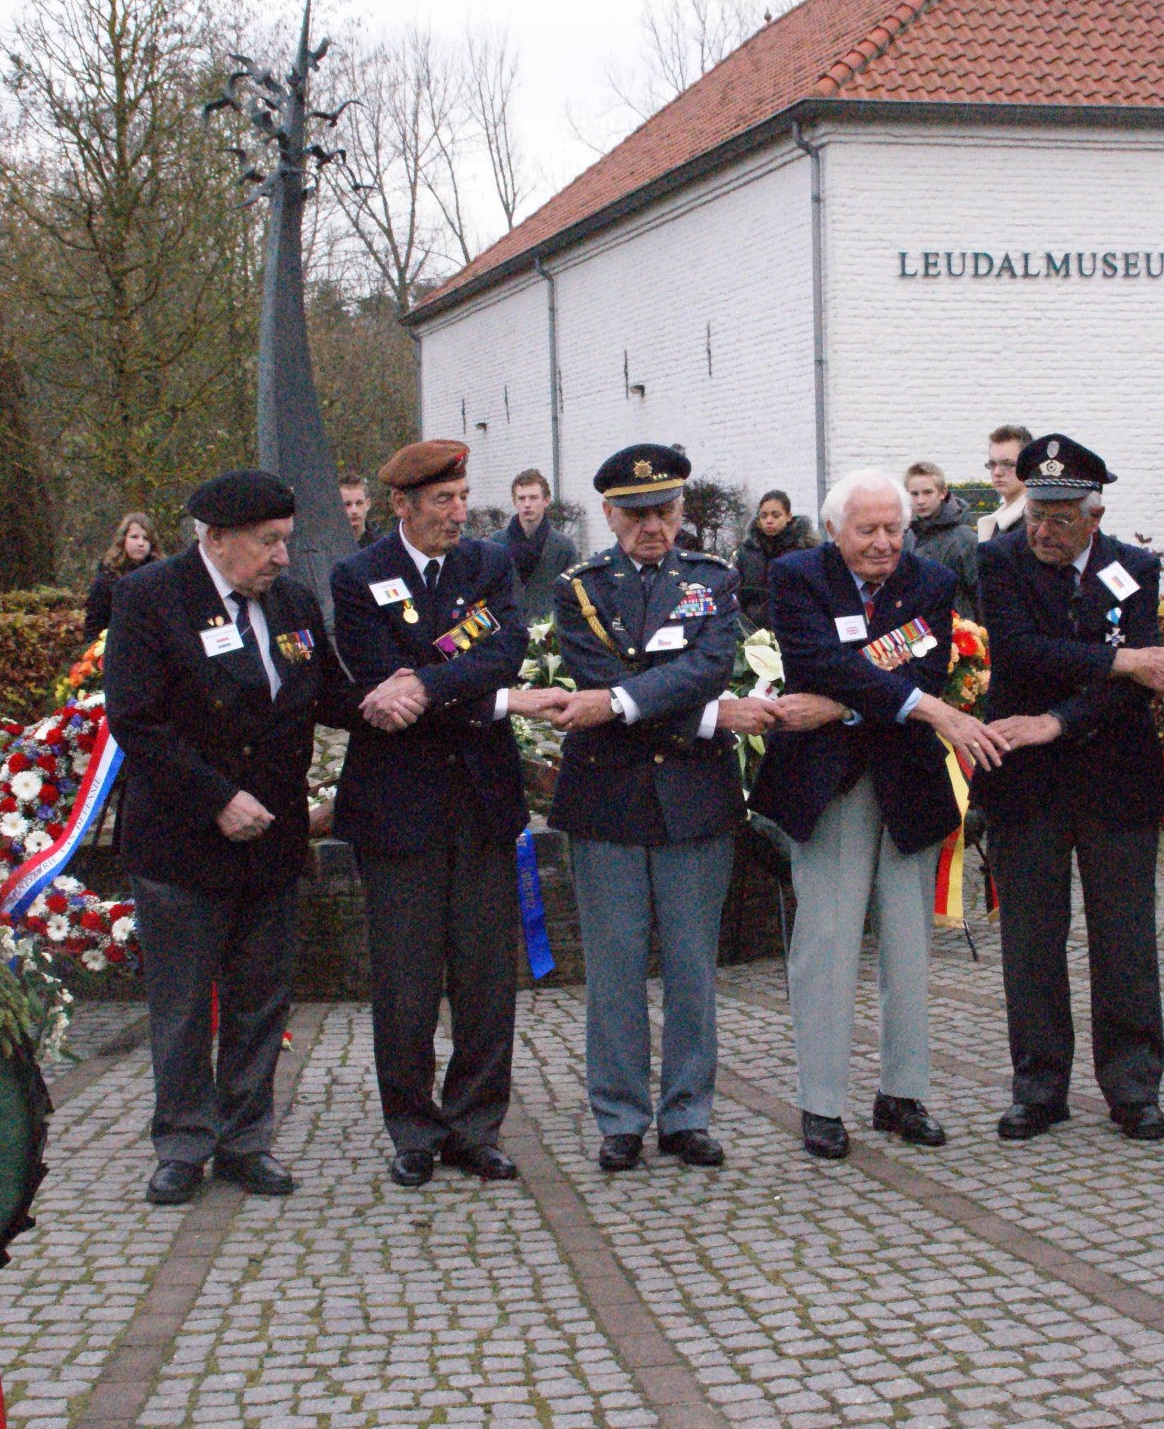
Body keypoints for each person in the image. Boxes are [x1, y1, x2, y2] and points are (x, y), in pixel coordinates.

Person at [104, 469, 354, 1205]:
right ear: (216, 539)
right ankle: (183, 1141)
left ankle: (246, 1139)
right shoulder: (151, 598)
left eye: (286, 540)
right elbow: (136, 719)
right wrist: (217, 799)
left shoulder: (293, 602)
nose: (282, 556)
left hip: (271, 839)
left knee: (260, 999)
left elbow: (331, 693)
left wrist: (414, 691)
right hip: (184, 839)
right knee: (182, 1005)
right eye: (268, 542)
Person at [748, 469, 1007, 1159]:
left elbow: (924, 668)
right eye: (868, 530)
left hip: (906, 781)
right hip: (828, 783)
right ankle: (822, 1103)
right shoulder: (799, 576)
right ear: (835, 530)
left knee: (909, 948)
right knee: (827, 946)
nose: (884, 542)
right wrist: (912, 705)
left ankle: (903, 1093)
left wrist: (851, 699)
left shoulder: (927, 581)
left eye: (894, 528)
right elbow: (814, 660)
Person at [332, 440, 563, 1188]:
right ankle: (412, 1129)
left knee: (485, 980)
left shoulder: (488, 564)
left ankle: (475, 1125)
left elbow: (504, 654)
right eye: (442, 502)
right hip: (397, 807)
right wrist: (439, 686)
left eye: (463, 497)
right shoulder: (358, 576)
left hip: (481, 802)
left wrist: (425, 685)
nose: (459, 513)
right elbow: (374, 685)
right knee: (403, 981)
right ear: (401, 505)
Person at [548, 443, 777, 1172]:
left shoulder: (712, 580)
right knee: (614, 968)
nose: (655, 526)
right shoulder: (579, 587)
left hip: (693, 802)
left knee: (690, 968)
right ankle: (619, 1116)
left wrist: (621, 701)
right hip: (608, 799)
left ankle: (687, 1114)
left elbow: (709, 667)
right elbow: (598, 678)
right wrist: (707, 717)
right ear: (610, 514)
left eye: (667, 511)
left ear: (683, 511)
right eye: (639, 513)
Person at [976, 436, 1164, 1142]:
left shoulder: (1136, 567)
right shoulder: (998, 561)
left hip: (1114, 774)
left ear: (1095, 514)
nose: (1043, 530)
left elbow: (1142, 685)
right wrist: (1118, 660)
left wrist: (1060, 719)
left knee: (1124, 938)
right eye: (1036, 512)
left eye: (1061, 517)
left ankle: (1133, 1086)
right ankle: (1038, 1086)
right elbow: (1019, 652)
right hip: (1024, 781)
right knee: (1032, 938)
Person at [490, 469, 578, 621]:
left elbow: (573, 599)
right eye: (521, 498)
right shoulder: (495, 545)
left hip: (549, 640)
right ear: (514, 501)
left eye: (533, 498)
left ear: (546, 500)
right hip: (504, 636)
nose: (527, 504)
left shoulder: (564, 547)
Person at [904, 461, 980, 619]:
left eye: (927, 492)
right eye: (914, 494)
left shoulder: (965, 539)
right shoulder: (908, 536)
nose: (920, 501)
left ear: (942, 492)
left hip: (959, 634)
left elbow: (981, 593)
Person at [733, 490, 818, 629]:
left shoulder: (805, 551)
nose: (769, 521)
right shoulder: (746, 553)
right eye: (763, 516)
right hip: (752, 633)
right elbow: (737, 596)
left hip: (796, 629)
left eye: (776, 515)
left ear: (789, 516)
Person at [85, 512, 163, 641]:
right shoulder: (107, 577)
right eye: (134, 537)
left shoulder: (161, 576)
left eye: (146, 538)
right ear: (123, 539)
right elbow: (95, 624)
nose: (141, 543)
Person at [976, 427, 1034, 541]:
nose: (997, 472)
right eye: (992, 464)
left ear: (1029, 465)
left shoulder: (1033, 523)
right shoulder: (994, 522)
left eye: (1008, 464)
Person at [340, 473, 382, 548]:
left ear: (368, 504)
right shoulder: (326, 547)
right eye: (347, 504)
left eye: (359, 503)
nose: (354, 511)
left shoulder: (381, 546)